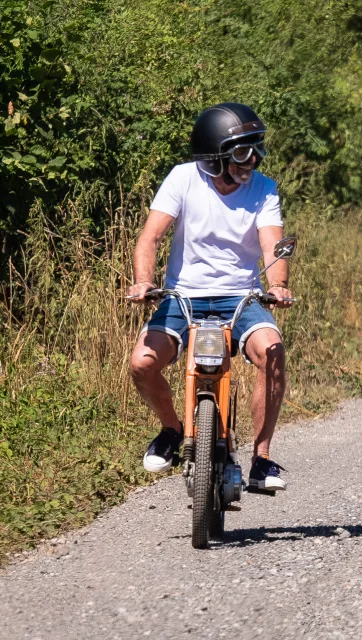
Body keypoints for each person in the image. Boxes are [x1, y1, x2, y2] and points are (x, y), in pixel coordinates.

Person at [124, 102, 295, 491]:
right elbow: (150, 237)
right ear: (215, 157)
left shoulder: (264, 188)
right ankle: (172, 430)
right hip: (184, 296)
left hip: (241, 298)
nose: (250, 160)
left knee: (273, 351)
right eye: (239, 152)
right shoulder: (183, 178)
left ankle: (262, 457)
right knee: (142, 363)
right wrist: (143, 282)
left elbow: (273, 246)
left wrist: (278, 286)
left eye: (254, 150)